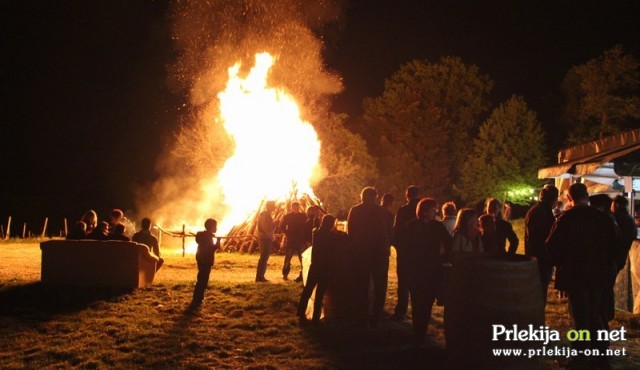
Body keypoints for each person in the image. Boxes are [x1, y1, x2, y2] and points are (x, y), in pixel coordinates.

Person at [546, 183, 618, 370]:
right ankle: (601, 356)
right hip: (600, 276)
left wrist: (562, 266)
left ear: (569, 198)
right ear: (587, 196)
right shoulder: (603, 219)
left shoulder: (565, 219)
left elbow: (551, 247)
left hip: (576, 277)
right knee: (598, 316)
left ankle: (579, 357)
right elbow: (616, 248)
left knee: (579, 318)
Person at [403, 198, 452, 342]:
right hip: (418, 269)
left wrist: (443, 257)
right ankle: (418, 329)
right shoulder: (413, 225)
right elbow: (406, 247)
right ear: (424, 212)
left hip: (431, 269)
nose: (435, 213)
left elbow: (449, 243)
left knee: (426, 301)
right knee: (418, 301)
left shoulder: (436, 226)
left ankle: (420, 330)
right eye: (432, 210)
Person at [347, 186, 393, 327]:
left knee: (362, 284)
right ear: (376, 197)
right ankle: (376, 316)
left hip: (362, 253)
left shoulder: (355, 211)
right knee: (380, 285)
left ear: (362, 197)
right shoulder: (385, 212)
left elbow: (350, 231)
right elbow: (391, 232)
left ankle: (362, 315)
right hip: (380, 253)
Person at [297, 214, 345, 323]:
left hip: (314, 265)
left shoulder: (316, 232)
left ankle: (301, 312)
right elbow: (340, 238)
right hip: (325, 267)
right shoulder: (332, 236)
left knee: (308, 289)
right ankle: (315, 316)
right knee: (320, 293)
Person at [524, 184, 559, 306]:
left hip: (534, 256)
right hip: (541, 259)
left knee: (536, 291)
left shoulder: (534, 210)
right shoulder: (544, 213)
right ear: (553, 199)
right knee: (540, 291)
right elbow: (546, 238)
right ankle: (537, 319)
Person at [391, 185, 420, 321]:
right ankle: (418, 310)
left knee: (403, 282)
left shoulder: (403, 210)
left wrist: (398, 245)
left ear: (407, 195)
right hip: (420, 251)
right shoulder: (422, 209)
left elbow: (396, 230)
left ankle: (401, 310)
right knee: (418, 281)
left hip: (405, 250)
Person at [192, 218, 221, 305]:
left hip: (201, 259)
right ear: (211, 227)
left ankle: (198, 297)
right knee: (203, 280)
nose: (216, 228)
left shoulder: (202, 235)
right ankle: (198, 298)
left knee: (201, 278)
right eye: (215, 226)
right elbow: (211, 249)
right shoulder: (208, 237)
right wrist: (218, 242)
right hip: (206, 260)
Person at [280, 202, 308, 282]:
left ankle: (304, 274)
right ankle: (285, 274)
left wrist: (304, 237)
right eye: (294, 207)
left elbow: (306, 227)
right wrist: (287, 233)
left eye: (297, 207)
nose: (296, 208)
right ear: (292, 207)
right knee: (288, 258)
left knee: (302, 259)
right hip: (291, 240)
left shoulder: (303, 216)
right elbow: (282, 226)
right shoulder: (288, 216)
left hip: (300, 240)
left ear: (299, 207)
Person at [611, 195, 638, 271]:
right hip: (627, 256)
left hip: (615, 256)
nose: (611, 207)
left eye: (612, 205)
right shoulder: (630, 219)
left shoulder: (614, 218)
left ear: (616, 205)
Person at [255, 201, 276, 282]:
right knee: (264, 258)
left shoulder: (263, 214)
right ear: (269, 206)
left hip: (264, 237)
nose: (274, 207)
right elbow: (268, 229)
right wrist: (275, 224)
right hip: (265, 239)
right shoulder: (266, 215)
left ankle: (260, 276)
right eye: (273, 206)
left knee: (263, 258)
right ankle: (260, 277)